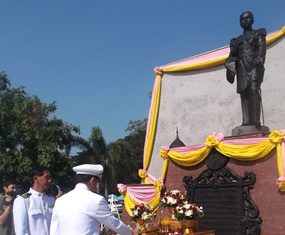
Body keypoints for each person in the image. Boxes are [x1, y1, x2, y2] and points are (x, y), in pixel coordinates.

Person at [50, 164, 133, 235]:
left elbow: (54, 229)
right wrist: (131, 232)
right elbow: (113, 224)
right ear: (92, 180)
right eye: (97, 182)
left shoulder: (60, 200)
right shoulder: (96, 200)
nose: (96, 186)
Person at [225, 11, 266, 127]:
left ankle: (256, 120)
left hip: (253, 66)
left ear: (252, 20)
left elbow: (261, 47)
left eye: (248, 18)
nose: (245, 21)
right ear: (240, 23)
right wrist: (230, 66)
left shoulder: (259, 34)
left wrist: (260, 57)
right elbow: (232, 56)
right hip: (242, 67)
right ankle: (246, 120)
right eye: (243, 19)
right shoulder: (237, 40)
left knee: (253, 90)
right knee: (244, 93)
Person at [13, 167, 55, 235]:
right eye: (46, 177)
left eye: (50, 178)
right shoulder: (23, 200)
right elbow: (21, 230)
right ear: (36, 178)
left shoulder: (51, 199)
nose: (49, 180)